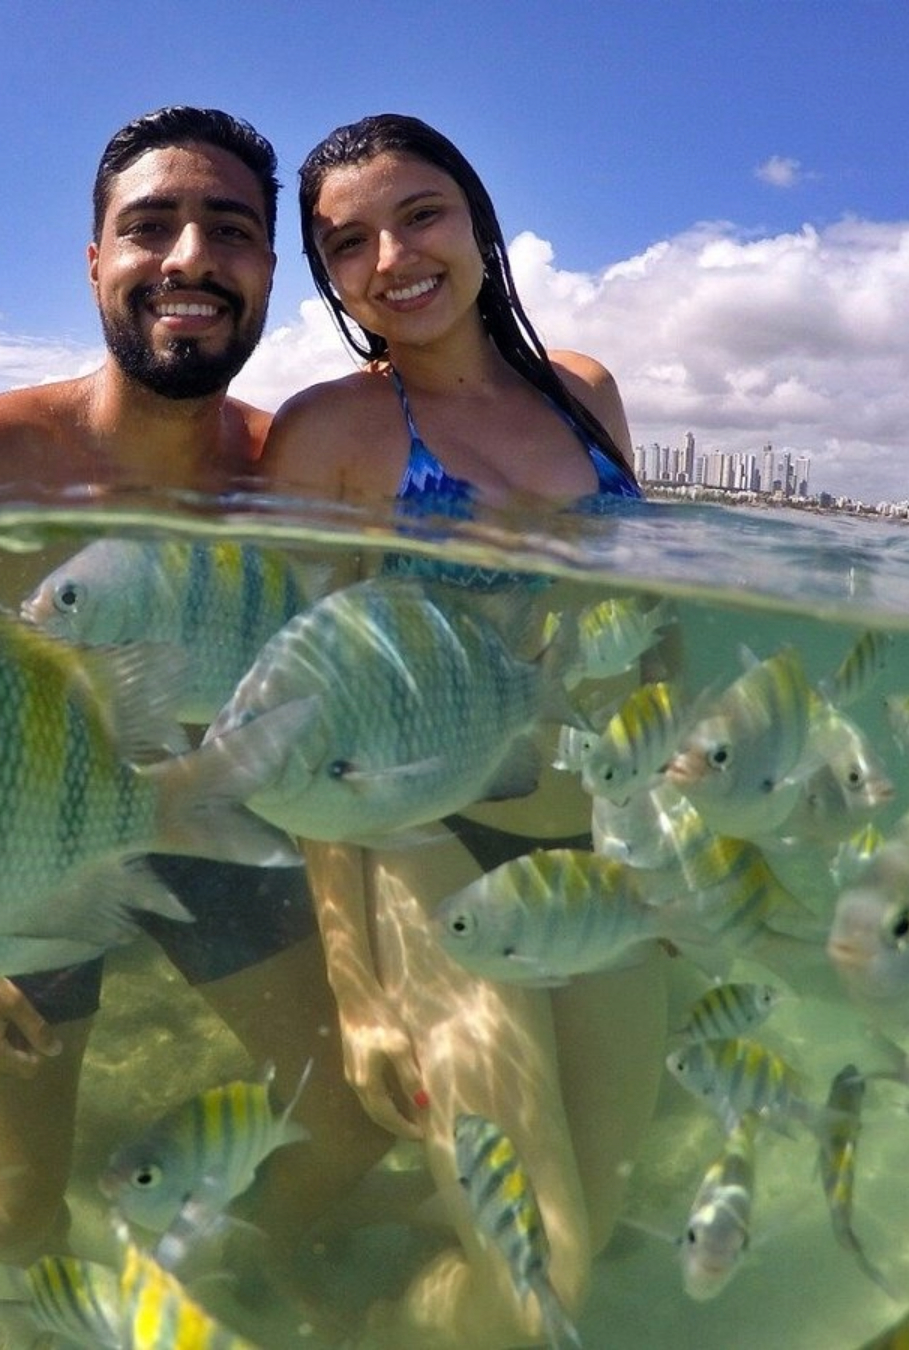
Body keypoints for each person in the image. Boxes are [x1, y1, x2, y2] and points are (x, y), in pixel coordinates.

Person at [0, 107, 394, 1301]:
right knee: (12, 1230)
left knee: (360, 1119)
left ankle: (203, 1293)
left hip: (203, 805)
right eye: (149, 225)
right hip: (6, 839)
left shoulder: (290, 472)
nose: (188, 258)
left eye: (229, 229)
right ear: (94, 259)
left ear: (269, 269)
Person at [262, 113, 669, 1348]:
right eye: (346, 244)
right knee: (539, 1272)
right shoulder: (329, 435)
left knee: (592, 1218)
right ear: (331, 279)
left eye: (420, 213)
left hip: (598, 851)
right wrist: (358, 991)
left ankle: (407, 1302)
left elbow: (643, 625)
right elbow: (301, 720)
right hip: (428, 848)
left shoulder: (585, 390)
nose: (392, 258)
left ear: (479, 222)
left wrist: (676, 814)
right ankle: (374, 1326)